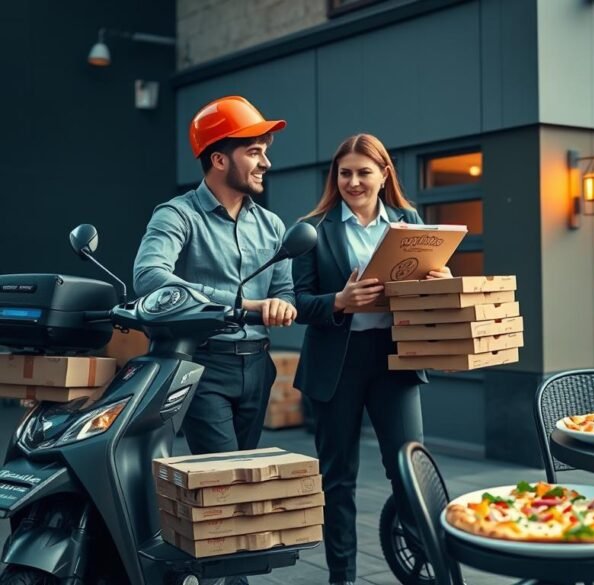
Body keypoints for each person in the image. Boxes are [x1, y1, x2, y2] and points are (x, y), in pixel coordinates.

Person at [291, 133, 451, 585]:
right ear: (335, 177)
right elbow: (299, 302)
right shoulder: (313, 228)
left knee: (409, 470)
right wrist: (339, 301)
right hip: (335, 365)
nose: (354, 181)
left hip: (394, 359)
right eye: (346, 173)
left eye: (364, 172)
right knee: (337, 480)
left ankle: (425, 568)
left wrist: (442, 279)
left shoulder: (410, 222)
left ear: (385, 175)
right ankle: (342, 577)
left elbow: (428, 289)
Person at [133, 95, 297, 459]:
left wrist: (283, 306)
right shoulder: (177, 215)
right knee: (223, 474)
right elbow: (148, 276)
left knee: (243, 472)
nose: (266, 163)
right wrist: (239, 303)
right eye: (255, 152)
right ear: (220, 159)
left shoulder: (272, 226)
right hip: (203, 363)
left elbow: (285, 290)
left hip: (258, 366)